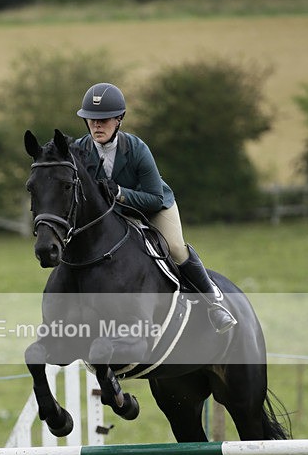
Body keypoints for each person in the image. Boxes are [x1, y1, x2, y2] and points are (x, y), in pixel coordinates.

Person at [76, 82, 236, 334]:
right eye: (91, 119)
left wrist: (119, 193)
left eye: (104, 119)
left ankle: (213, 303)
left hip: (153, 206)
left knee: (174, 247)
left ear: (119, 119)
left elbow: (153, 197)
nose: (97, 125)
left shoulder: (137, 149)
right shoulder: (79, 150)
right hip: (110, 217)